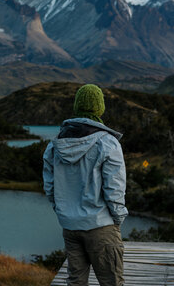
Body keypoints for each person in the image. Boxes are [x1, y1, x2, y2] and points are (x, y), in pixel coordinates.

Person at [43, 84, 128, 286]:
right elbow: (114, 189)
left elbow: (50, 188)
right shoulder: (107, 143)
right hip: (101, 225)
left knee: (76, 282)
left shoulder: (55, 144)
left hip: (70, 227)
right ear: (100, 108)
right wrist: (117, 219)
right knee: (112, 282)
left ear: (77, 107)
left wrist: (64, 212)